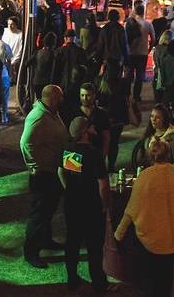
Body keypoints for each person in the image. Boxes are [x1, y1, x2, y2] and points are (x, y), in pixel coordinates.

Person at [115, 139, 174, 297]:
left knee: (155, 272)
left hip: (154, 238)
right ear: (169, 154)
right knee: (166, 270)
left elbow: (132, 209)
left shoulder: (145, 177)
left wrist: (119, 233)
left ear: (149, 156)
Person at [59, 117, 113, 292]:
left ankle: (72, 279)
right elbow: (102, 184)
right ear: (84, 132)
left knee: (72, 242)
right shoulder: (94, 154)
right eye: (90, 127)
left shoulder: (69, 149)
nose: (93, 128)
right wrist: (105, 205)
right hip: (91, 206)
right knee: (94, 246)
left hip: (72, 203)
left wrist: (69, 188)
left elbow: (62, 171)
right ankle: (99, 283)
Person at [19, 85, 68, 268]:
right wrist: (34, 166)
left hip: (52, 170)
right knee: (39, 214)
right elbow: (25, 143)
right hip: (43, 174)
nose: (62, 100)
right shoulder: (38, 117)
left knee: (48, 209)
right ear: (53, 98)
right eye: (60, 97)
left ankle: (46, 240)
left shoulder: (50, 113)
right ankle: (31, 252)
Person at [97, 60, 129, 172]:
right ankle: (111, 166)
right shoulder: (122, 83)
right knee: (114, 143)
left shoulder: (100, 82)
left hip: (104, 116)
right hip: (118, 117)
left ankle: (100, 165)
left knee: (103, 141)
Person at [131, 104, 174, 170]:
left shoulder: (173, 136)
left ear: (164, 119)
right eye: (152, 116)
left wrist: (168, 171)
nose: (153, 119)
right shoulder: (149, 135)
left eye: (157, 117)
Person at [125, 2, 155, 102]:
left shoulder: (129, 23)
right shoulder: (148, 24)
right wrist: (149, 49)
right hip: (142, 53)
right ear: (143, 12)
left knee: (128, 75)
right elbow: (153, 39)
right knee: (140, 76)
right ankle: (136, 96)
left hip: (131, 53)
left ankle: (127, 95)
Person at [25, 31, 57, 100]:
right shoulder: (54, 54)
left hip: (37, 81)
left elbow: (27, 63)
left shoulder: (38, 52)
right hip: (47, 83)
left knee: (39, 101)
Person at [0, 24, 13, 123]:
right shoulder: (5, 45)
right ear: (3, 33)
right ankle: (4, 115)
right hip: (3, 72)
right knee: (4, 95)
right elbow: (9, 61)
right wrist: (10, 73)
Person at [151, 30, 174, 103]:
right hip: (167, 77)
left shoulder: (157, 48)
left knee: (158, 100)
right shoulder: (170, 50)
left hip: (157, 75)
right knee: (166, 101)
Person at [2, 15, 24, 83]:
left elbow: (20, 50)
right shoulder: (5, 31)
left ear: (16, 25)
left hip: (14, 61)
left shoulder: (20, 34)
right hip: (4, 60)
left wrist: (13, 61)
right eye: (8, 24)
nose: (10, 26)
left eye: (12, 24)